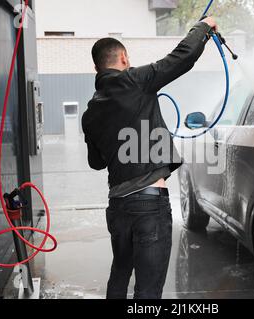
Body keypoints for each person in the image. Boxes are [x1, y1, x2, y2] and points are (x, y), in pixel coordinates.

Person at [82, 17, 218, 299]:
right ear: (124, 57)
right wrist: (204, 26)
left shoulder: (90, 112)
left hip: (117, 207)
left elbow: (95, 162)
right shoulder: (136, 80)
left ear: (97, 68)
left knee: (119, 275)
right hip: (149, 205)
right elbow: (182, 57)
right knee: (148, 291)